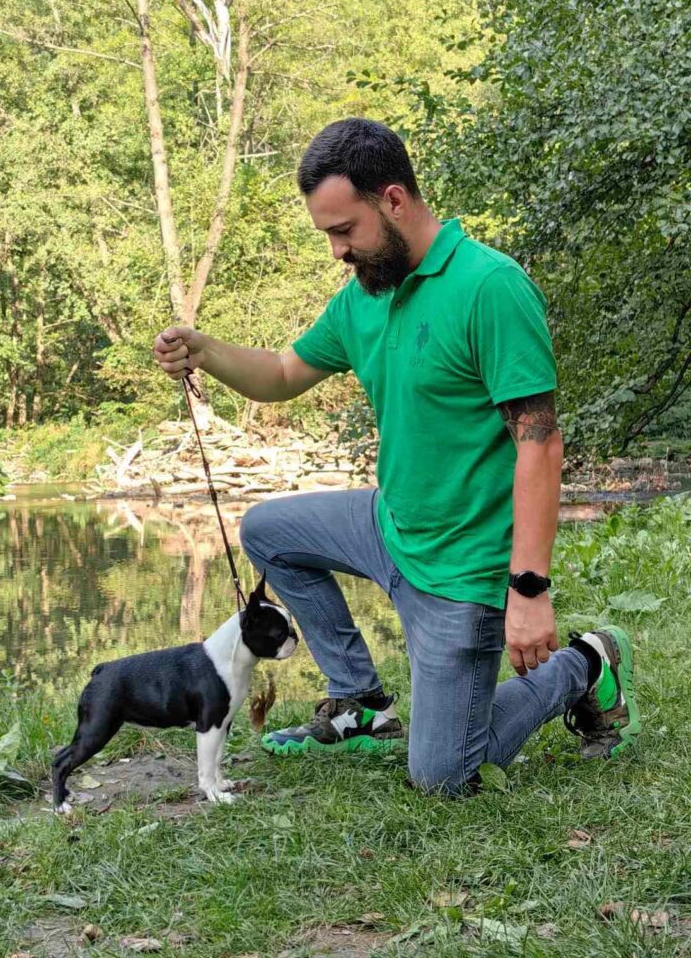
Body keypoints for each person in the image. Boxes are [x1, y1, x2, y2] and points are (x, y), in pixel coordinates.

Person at [153, 118, 641, 796]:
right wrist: (205, 349)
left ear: (392, 200)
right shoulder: (365, 297)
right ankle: (360, 704)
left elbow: (540, 443)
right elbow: (283, 373)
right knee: (267, 531)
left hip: (463, 567)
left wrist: (528, 590)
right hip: (390, 525)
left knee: (443, 776)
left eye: (343, 230)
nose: (337, 251)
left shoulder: (489, 287)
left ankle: (586, 663)